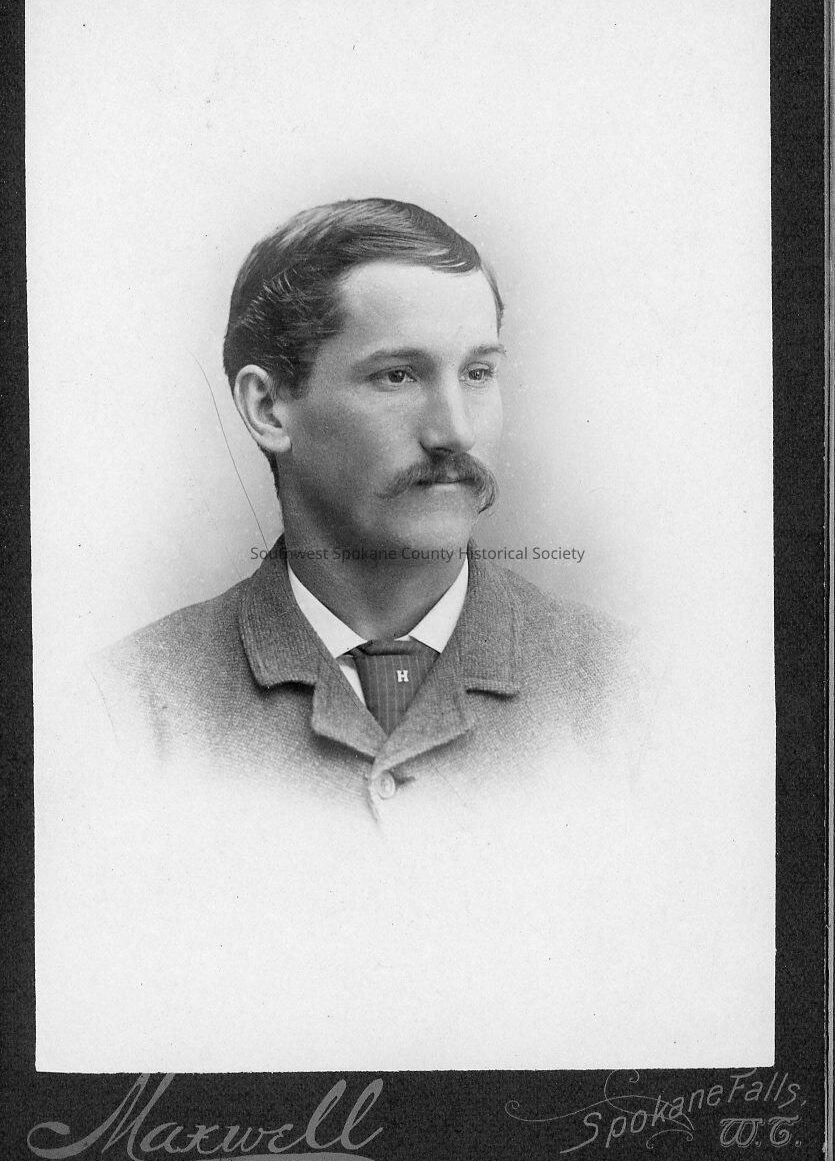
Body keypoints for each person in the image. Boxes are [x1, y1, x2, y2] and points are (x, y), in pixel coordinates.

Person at [89, 198, 642, 824]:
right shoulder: (123, 708)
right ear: (268, 409)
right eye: (398, 376)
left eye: (478, 373)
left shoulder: (631, 694)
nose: (455, 432)